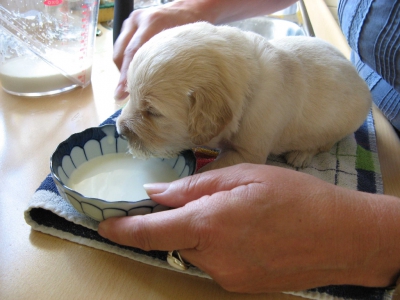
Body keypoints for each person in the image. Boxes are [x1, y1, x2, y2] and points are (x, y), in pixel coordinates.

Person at [98, 0, 400, 294]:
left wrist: (182, 187)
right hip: (362, 67)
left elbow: (247, 156)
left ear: (210, 114)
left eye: (151, 111)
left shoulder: (262, 103)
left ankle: (320, 142)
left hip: (369, 115)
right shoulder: (239, 66)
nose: (123, 124)